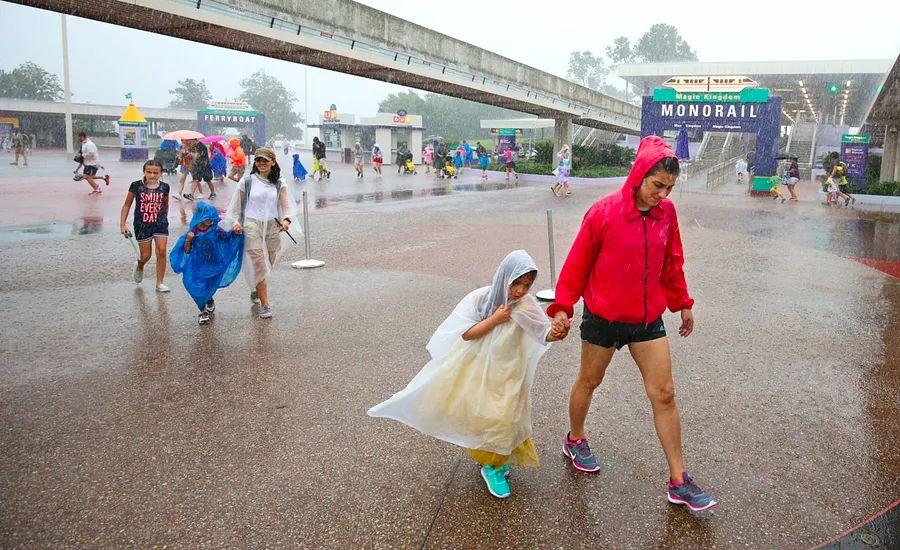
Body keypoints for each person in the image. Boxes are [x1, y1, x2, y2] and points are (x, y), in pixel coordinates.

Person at [546, 135, 718, 512]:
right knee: (589, 381)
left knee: (665, 393)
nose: (663, 194)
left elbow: (672, 261)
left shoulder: (666, 215)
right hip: (603, 319)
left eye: (670, 188)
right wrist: (562, 307)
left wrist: (682, 303)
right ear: (640, 175)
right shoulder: (603, 212)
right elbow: (576, 265)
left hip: (646, 320)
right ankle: (575, 438)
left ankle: (678, 480)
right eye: (658, 185)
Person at [368, 251, 569, 499]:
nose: (519, 291)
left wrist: (556, 333)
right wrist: (495, 319)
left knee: (507, 416)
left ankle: (494, 458)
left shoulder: (526, 305)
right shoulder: (481, 299)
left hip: (509, 372)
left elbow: (541, 332)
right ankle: (491, 465)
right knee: (487, 415)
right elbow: (466, 332)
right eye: (516, 283)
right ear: (503, 277)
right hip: (480, 369)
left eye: (526, 285)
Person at [224, 147, 297, 319]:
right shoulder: (247, 181)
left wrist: (286, 220)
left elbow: (286, 206)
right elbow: (235, 207)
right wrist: (235, 223)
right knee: (259, 264)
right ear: (255, 163)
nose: (262, 163)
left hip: (273, 224)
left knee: (270, 261)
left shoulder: (279, 182)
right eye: (258, 160)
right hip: (251, 223)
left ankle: (255, 287)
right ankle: (265, 305)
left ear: (273, 162)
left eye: (265, 160)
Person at [169, 201, 245, 325]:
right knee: (194, 285)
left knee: (208, 284)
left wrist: (236, 233)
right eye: (208, 219)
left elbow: (227, 238)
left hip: (213, 264)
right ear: (201, 217)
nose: (211, 221)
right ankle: (203, 311)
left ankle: (209, 300)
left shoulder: (216, 230)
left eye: (212, 219)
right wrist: (188, 241)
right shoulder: (192, 234)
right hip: (196, 265)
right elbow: (186, 251)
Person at [119, 160, 170, 293]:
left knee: (162, 250)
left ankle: (160, 283)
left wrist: (164, 219)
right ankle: (140, 265)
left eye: (155, 173)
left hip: (160, 224)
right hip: (142, 225)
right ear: (144, 172)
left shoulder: (165, 187)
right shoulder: (136, 186)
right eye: (149, 172)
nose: (152, 175)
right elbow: (126, 205)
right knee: (146, 256)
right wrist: (123, 224)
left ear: (161, 173)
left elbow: (165, 205)